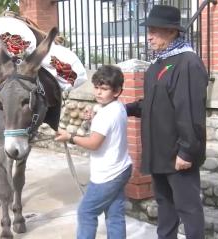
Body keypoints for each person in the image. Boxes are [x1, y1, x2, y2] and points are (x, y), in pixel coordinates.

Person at [125, 5, 208, 239]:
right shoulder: (157, 66)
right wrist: (124, 109)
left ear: (172, 32)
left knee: (188, 208)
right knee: (165, 205)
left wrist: (187, 152)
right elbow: (152, 104)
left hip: (178, 154)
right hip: (158, 152)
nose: (149, 35)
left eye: (155, 30)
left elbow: (190, 111)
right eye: (148, 29)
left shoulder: (187, 63)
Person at [55, 65, 132, 239]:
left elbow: (94, 143)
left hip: (107, 175)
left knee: (86, 212)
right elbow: (108, 133)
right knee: (115, 215)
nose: (98, 92)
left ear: (117, 91)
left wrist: (70, 136)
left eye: (104, 89)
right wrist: (93, 120)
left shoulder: (106, 115)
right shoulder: (118, 108)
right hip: (122, 168)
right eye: (96, 87)